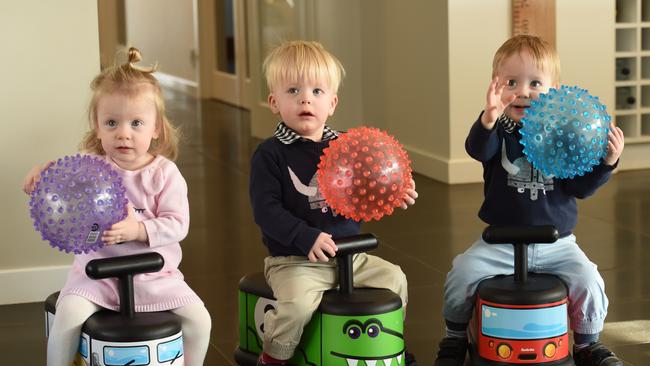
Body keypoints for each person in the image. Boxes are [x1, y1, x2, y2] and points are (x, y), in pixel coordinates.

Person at [434, 35, 625, 366]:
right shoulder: (497, 130)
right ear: (496, 87)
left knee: (589, 280)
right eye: (512, 82)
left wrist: (607, 162)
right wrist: (489, 119)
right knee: (462, 272)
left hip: (558, 243)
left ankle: (586, 343)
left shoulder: (563, 137)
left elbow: (581, 187)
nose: (523, 91)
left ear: (554, 89)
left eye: (535, 82)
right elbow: (478, 149)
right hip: (500, 242)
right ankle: (453, 337)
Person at [23, 47, 211, 366]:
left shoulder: (165, 174)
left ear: (156, 129)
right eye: (112, 123)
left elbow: (178, 224)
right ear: (97, 127)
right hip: (95, 276)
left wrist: (138, 229)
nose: (123, 133)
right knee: (68, 316)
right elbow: (60, 179)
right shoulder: (90, 167)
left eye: (136, 123)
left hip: (155, 277)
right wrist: (40, 173)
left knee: (200, 320)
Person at [249, 40, 420, 366]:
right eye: (293, 90)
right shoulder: (270, 154)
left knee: (395, 278)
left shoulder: (347, 146)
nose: (305, 98)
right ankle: (274, 356)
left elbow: (373, 182)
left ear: (332, 103)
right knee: (297, 306)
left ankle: (390, 343)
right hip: (295, 260)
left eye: (316, 91)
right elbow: (266, 211)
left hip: (351, 256)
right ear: (274, 102)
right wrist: (305, 236)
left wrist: (396, 189)